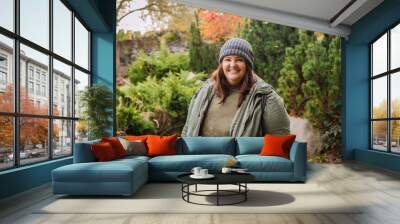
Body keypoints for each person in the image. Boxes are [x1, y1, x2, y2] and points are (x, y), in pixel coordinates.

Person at [182, 38, 290, 137]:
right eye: (227, 59)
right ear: (221, 64)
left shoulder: (265, 97)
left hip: (240, 158)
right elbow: (187, 130)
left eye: (239, 60)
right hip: (200, 157)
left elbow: (280, 140)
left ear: (247, 65)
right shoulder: (203, 92)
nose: (232, 64)